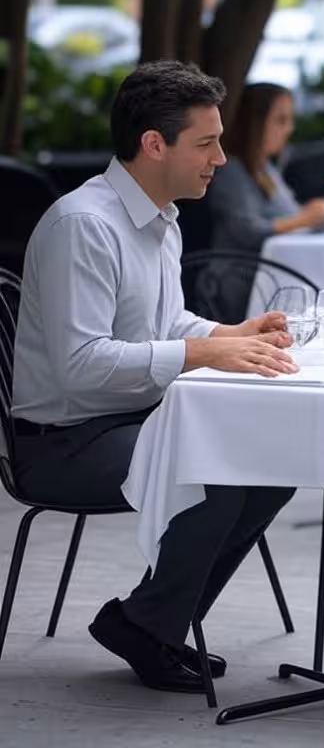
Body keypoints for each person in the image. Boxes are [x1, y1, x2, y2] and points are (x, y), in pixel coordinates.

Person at [12, 61, 300, 694]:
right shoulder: (83, 225)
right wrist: (202, 356)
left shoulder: (159, 218)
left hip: (128, 417)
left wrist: (231, 334)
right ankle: (151, 625)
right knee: (214, 479)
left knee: (274, 466)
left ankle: (152, 621)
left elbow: (166, 324)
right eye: (206, 143)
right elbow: (82, 368)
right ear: (153, 145)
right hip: (62, 440)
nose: (221, 158)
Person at [208, 82, 324, 252]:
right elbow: (248, 232)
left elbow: (288, 212)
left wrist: (311, 211)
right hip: (241, 274)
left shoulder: (264, 167)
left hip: (274, 269)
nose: (289, 129)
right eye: (281, 120)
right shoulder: (230, 169)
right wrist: (305, 219)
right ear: (254, 122)